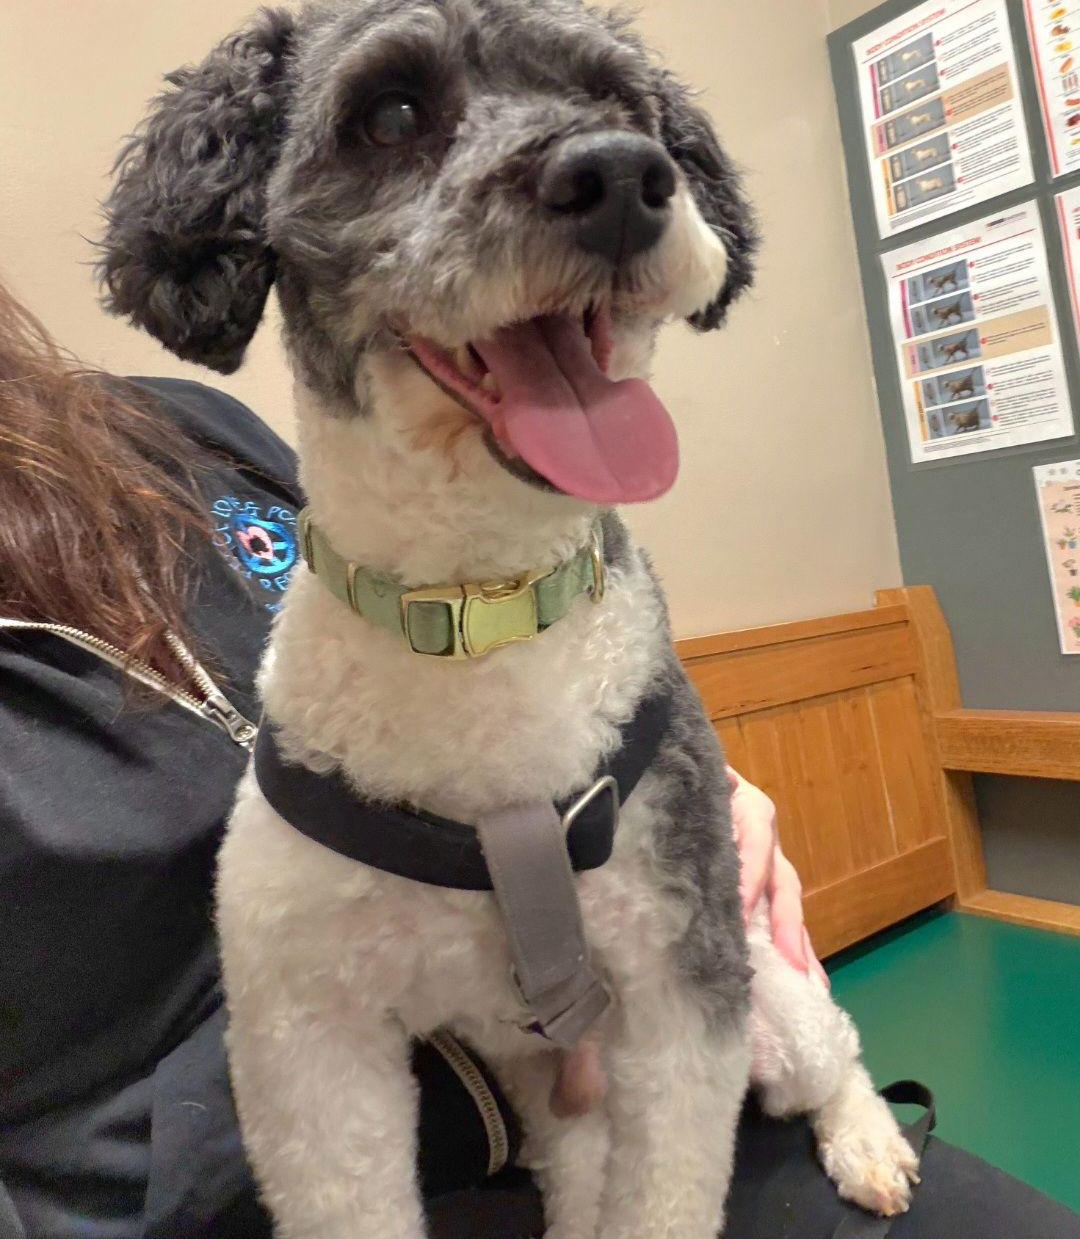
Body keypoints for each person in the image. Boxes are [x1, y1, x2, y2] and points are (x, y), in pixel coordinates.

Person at [0, 279, 1075, 1239]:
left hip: (625, 1015)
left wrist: (682, 787)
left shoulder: (180, 427)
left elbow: (488, 605)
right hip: (316, 1159)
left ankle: (842, 1090)